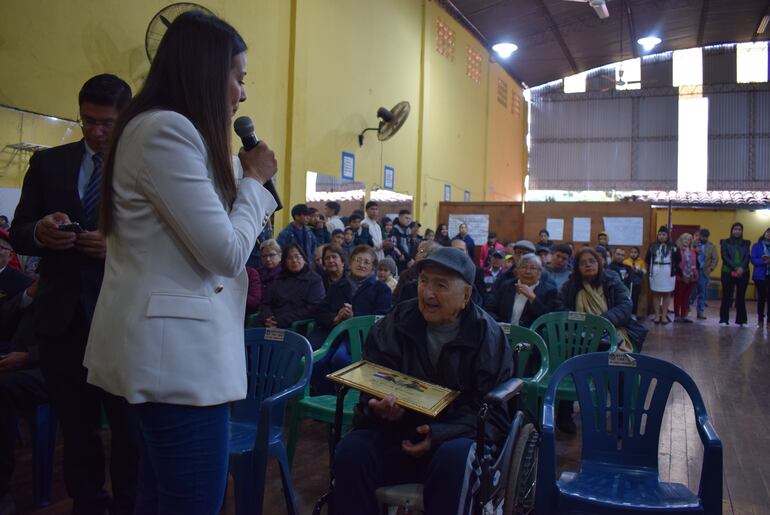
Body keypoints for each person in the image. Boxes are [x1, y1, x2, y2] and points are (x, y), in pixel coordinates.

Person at [81, 13, 278, 514]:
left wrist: (242, 178)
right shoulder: (165, 131)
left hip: (172, 357)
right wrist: (254, 182)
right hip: (178, 363)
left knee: (159, 497)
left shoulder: (160, 130)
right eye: (239, 77)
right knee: (191, 502)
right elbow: (227, 254)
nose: (242, 93)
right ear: (207, 72)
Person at [11, 74, 140, 515]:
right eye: (86, 121)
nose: (95, 132)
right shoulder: (51, 164)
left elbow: (163, 245)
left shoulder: (145, 169)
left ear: (126, 119)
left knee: (128, 430)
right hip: (62, 318)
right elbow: (20, 229)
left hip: (123, 318)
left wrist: (115, 247)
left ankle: (128, 506)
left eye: (106, 123)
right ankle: (88, 505)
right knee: (77, 428)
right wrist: (42, 232)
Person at [332, 247, 513, 515]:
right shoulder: (395, 323)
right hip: (400, 432)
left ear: (466, 295)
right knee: (352, 451)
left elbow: (494, 415)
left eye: (440, 285)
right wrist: (380, 408)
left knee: (456, 459)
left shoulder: (488, 337)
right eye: (424, 281)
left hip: (458, 437)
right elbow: (373, 383)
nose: (428, 293)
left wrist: (439, 435)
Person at [0, 233, 44, 514]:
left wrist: (28, 357)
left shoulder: (85, 290)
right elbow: (4, 323)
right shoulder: (28, 288)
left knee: (3, 391)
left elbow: (82, 342)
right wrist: (28, 295)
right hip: (15, 361)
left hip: (50, 368)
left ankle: (2, 488)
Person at [310, 245, 391, 387]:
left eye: (366, 262)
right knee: (318, 360)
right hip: (333, 336)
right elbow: (320, 311)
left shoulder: (381, 289)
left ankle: (343, 401)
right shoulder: (338, 286)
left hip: (362, 339)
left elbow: (382, 318)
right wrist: (336, 317)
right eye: (357, 260)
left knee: (340, 359)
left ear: (373, 267)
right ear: (350, 262)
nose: (361, 264)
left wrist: (354, 318)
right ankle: (324, 400)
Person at [561, 247, 647, 354]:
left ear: (599, 263)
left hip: (612, 328)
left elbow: (625, 306)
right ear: (577, 268)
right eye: (583, 263)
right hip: (580, 331)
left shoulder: (611, 280)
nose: (588, 265)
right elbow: (561, 308)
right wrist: (581, 321)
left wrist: (601, 322)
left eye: (592, 261)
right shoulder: (570, 285)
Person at [258, 243, 325, 328]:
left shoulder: (314, 280)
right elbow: (266, 303)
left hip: (296, 326)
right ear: (285, 262)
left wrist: (282, 320)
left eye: (297, 256)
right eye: (289, 258)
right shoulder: (279, 279)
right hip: (273, 323)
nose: (294, 260)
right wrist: (268, 317)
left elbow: (313, 308)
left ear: (304, 259)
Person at [485, 253, 561, 328]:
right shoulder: (506, 286)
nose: (528, 271)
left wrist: (532, 298)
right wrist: (499, 325)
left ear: (540, 273)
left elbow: (548, 320)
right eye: (524, 267)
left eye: (533, 268)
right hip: (504, 333)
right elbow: (490, 309)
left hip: (532, 336)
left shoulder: (549, 291)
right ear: (517, 271)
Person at [645, 226, 680, 325]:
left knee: (667, 293)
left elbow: (678, 259)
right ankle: (657, 315)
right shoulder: (653, 246)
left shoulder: (673, 246)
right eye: (659, 234)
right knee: (656, 293)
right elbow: (647, 259)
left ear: (668, 235)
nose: (661, 236)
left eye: (663, 234)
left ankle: (664, 315)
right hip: (656, 271)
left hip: (668, 271)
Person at [720, 222, 751, 327]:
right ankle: (724, 319)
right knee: (727, 296)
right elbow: (725, 257)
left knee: (741, 296)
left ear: (742, 231)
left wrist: (741, 267)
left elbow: (747, 256)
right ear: (732, 230)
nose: (737, 231)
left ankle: (742, 320)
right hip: (728, 272)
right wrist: (735, 268)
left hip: (744, 272)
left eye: (739, 229)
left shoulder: (746, 243)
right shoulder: (725, 242)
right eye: (735, 229)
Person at [392, 240, 442, 304]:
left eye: (421, 251)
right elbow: (395, 301)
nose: (417, 254)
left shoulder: (441, 276)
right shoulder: (406, 275)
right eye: (418, 251)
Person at [693, 229, 718, 320]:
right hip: (692, 270)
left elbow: (715, 259)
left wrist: (710, 269)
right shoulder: (693, 243)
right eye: (702, 236)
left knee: (702, 293)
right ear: (699, 236)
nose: (703, 238)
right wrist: (694, 249)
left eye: (705, 237)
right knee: (689, 292)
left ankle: (700, 312)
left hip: (704, 272)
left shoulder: (711, 247)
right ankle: (685, 310)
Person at [673, 234, 698, 323]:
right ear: (681, 239)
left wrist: (695, 274)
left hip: (691, 277)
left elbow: (695, 263)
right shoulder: (677, 250)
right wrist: (681, 274)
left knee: (686, 297)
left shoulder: (693, 251)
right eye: (685, 239)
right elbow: (675, 264)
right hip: (680, 276)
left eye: (689, 239)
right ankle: (676, 315)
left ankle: (684, 315)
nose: (687, 240)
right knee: (678, 296)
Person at [751, 228, 770, 326]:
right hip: (760, 275)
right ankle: (760, 317)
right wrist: (764, 262)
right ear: (765, 233)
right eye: (768, 232)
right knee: (761, 297)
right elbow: (753, 259)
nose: (769, 234)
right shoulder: (757, 245)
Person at [258, 239, 283, 308]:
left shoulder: (286, 274)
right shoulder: (257, 274)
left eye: (271, 255)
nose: (268, 259)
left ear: (280, 255)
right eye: (264, 256)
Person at [622, 247, 647, 318]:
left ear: (638, 254)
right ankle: (626, 314)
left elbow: (644, 272)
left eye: (635, 252)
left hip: (637, 284)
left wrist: (637, 270)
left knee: (635, 299)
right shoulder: (626, 261)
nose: (633, 254)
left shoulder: (641, 262)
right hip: (627, 283)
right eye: (632, 252)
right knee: (627, 298)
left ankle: (633, 314)